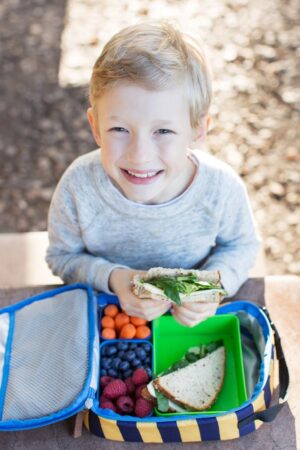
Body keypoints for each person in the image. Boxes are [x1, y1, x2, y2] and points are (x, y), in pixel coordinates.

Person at [46, 21, 260, 327]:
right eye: (119, 129)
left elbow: (242, 246)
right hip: (109, 324)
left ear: (198, 130)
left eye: (163, 130)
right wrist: (115, 279)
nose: (140, 155)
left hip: (192, 326)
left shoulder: (220, 189)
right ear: (95, 127)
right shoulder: (78, 187)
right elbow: (61, 257)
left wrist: (210, 289)